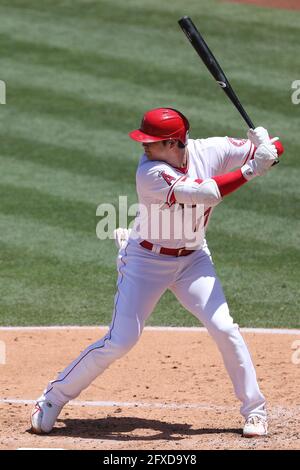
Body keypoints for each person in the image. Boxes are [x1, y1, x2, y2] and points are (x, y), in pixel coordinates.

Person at [30, 107, 284, 437]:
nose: (144, 147)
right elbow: (204, 194)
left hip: (193, 260)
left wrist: (266, 146)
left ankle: (255, 410)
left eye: (152, 142)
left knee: (224, 328)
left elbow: (274, 150)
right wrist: (253, 168)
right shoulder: (149, 171)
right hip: (145, 262)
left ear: (175, 143)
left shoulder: (211, 150)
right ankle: (52, 398)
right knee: (120, 341)